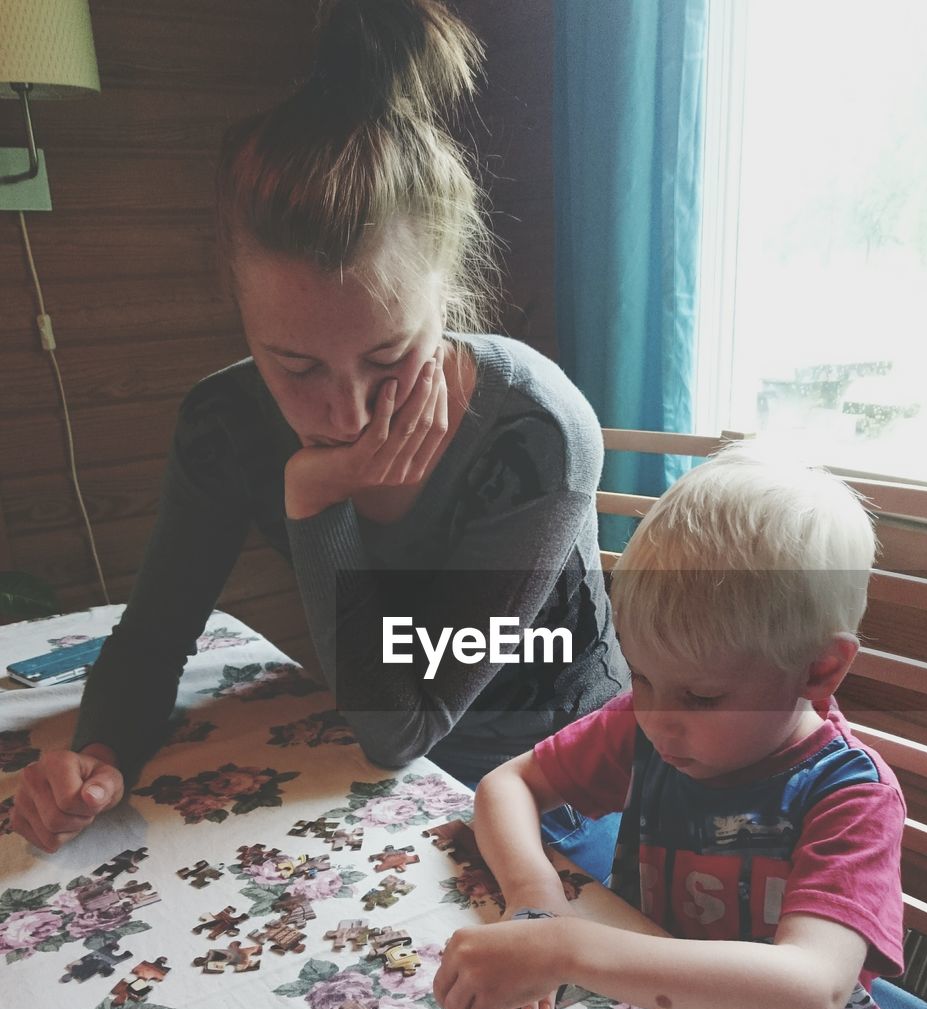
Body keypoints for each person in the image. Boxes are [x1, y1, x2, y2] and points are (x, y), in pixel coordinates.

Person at [11, 0, 626, 877]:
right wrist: (98, 756)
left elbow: (401, 728)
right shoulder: (224, 424)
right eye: (294, 366)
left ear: (445, 298)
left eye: (389, 357)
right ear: (237, 312)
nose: (345, 413)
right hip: (368, 771)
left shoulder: (536, 433)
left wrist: (317, 501)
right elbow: (150, 640)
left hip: (567, 775)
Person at [433, 445, 906, 1009]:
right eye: (641, 675)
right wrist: (534, 895)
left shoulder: (853, 796)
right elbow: (508, 785)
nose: (655, 719)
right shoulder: (648, 720)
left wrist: (568, 947)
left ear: (818, 670)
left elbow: (810, 999)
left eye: (703, 696)